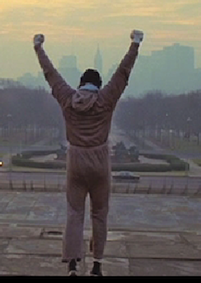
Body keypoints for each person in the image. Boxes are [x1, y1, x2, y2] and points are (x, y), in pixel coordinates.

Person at [33, 29, 143, 276]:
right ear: (98, 85)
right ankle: (96, 265)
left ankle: (72, 264)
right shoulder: (105, 100)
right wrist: (135, 44)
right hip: (100, 161)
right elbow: (123, 73)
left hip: (76, 161)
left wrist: (38, 48)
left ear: (81, 83)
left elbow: (50, 74)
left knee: (74, 213)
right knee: (99, 214)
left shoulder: (68, 98)